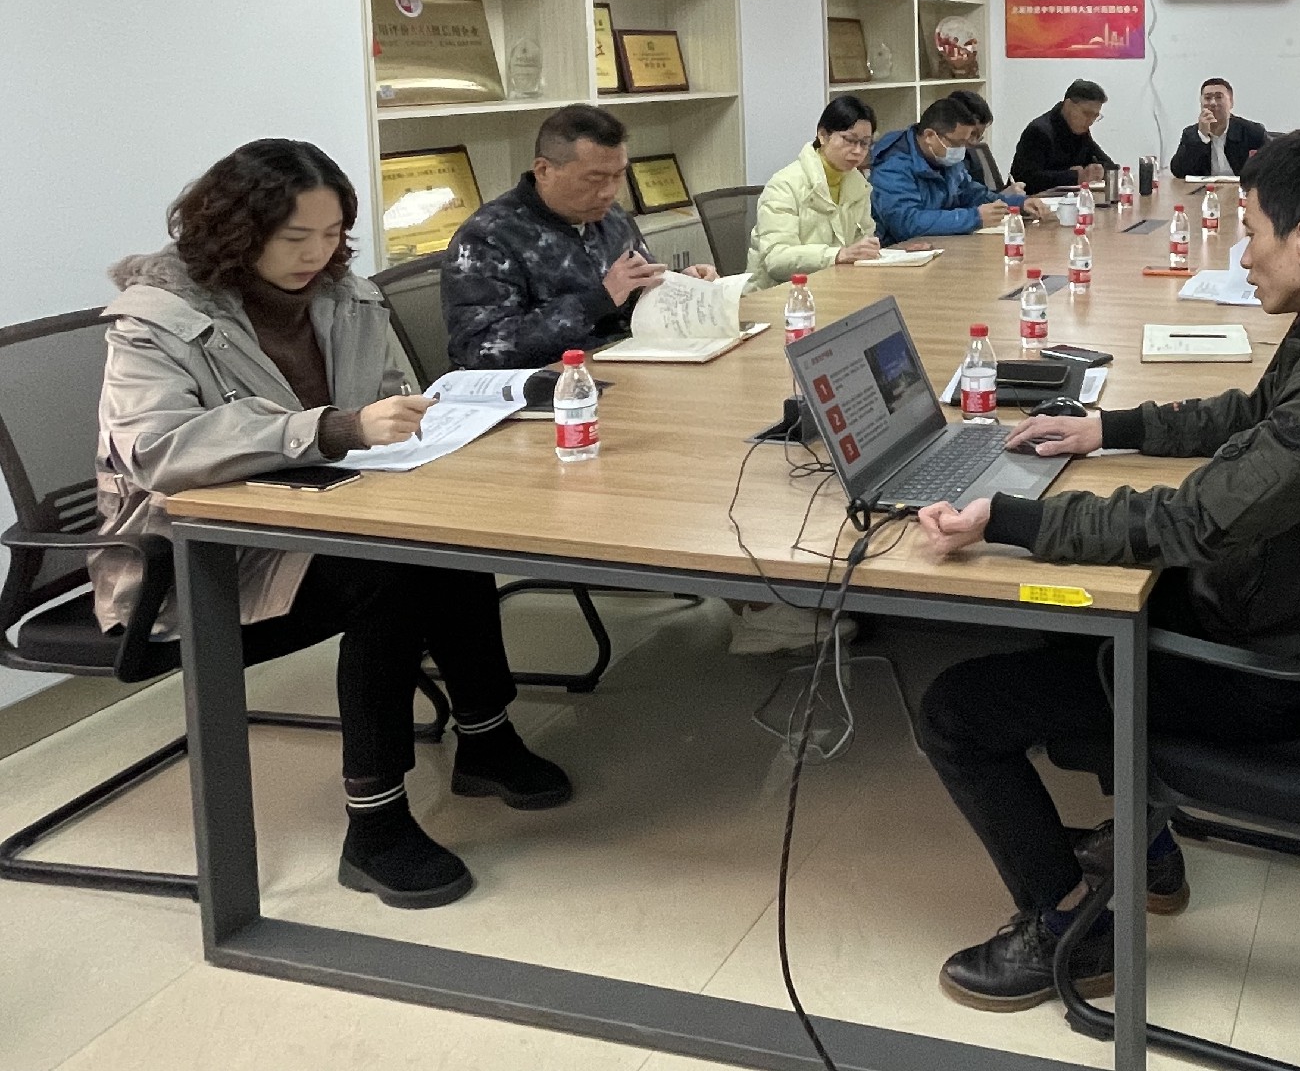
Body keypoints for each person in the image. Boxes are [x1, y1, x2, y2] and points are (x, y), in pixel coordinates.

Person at [907, 130, 1300, 1010]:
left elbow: (1192, 520)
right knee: (1071, 620)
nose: (1244, 254)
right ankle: (1149, 849)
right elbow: (1253, 413)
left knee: (956, 710)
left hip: (1263, 674)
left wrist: (1007, 518)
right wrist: (1109, 430)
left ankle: (1070, 930)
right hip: (1296, 618)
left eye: (1253, 231)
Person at [95, 140, 570, 909]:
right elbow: (159, 449)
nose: (316, 255)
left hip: (315, 517)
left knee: (446, 538)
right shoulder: (158, 321)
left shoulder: (346, 299)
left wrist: (420, 419)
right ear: (237, 230)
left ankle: (486, 737)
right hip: (195, 563)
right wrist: (332, 429)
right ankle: (375, 824)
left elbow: (386, 395)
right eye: (295, 237)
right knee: (385, 573)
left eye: (330, 235)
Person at [444, 104, 715, 370]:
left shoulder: (612, 217)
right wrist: (597, 301)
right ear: (544, 171)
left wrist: (680, 285)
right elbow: (481, 350)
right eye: (594, 179)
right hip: (549, 384)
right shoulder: (488, 237)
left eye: (618, 175)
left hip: (627, 364)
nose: (609, 192)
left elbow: (636, 290)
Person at [870, 96, 1050, 241]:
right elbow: (906, 223)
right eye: (957, 143)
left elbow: (972, 194)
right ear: (930, 136)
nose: (962, 150)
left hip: (938, 245)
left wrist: (1018, 204)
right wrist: (974, 218)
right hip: (899, 253)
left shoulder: (943, 158)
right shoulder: (892, 165)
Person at [746, 95, 882, 283]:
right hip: (779, 292)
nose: (858, 151)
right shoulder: (785, 185)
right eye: (850, 140)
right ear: (823, 135)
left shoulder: (858, 184)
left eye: (865, 143)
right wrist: (837, 255)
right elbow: (776, 259)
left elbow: (863, 241)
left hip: (835, 285)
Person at [1010, 79, 1119, 193]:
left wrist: (1100, 170)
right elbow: (1027, 179)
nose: (1091, 121)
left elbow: (1110, 165)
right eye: (1086, 113)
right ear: (1068, 105)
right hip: (1032, 200)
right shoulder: (1039, 131)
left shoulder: (1081, 131)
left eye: (1095, 116)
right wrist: (1074, 176)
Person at [1171, 76, 1268, 178]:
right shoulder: (1191, 134)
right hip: (1204, 188)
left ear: (1231, 102)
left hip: (1242, 187)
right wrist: (1201, 137)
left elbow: (1269, 169)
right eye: (1207, 98)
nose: (1213, 103)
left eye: (1219, 97)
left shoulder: (1252, 132)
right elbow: (1179, 172)